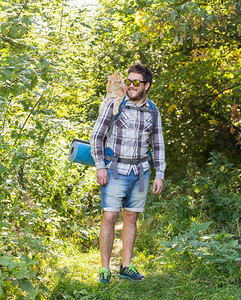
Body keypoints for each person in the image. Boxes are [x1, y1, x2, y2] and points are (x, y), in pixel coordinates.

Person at [90, 62, 166, 283]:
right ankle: (105, 268)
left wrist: (159, 173)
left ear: (147, 86)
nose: (130, 86)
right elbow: (96, 136)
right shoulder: (115, 105)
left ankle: (126, 266)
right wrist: (100, 166)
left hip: (141, 172)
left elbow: (158, 143)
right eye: (128, 81)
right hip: (114, 170)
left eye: (136, 82)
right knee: (109, 217)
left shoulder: (153, 110)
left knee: (131, 218)